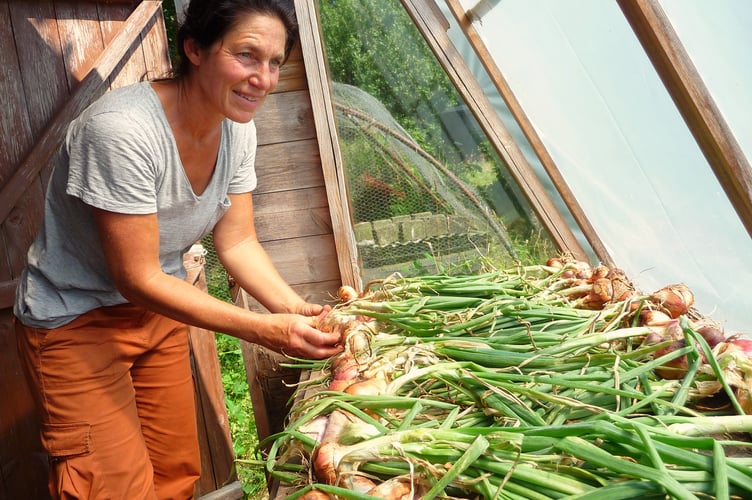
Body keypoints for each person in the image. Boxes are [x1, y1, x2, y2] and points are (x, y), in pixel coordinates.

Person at [13, 0, 343, 498]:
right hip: (75, 322)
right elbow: (137, 277)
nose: (264, 78)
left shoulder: (239, 131)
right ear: (194, 49)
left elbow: (237, 240)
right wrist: (266, 330)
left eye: (275, 62)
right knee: (111, 487)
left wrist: (297, 310)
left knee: (176, 476)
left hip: (157, 314)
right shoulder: (123, 131)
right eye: (247, 55)